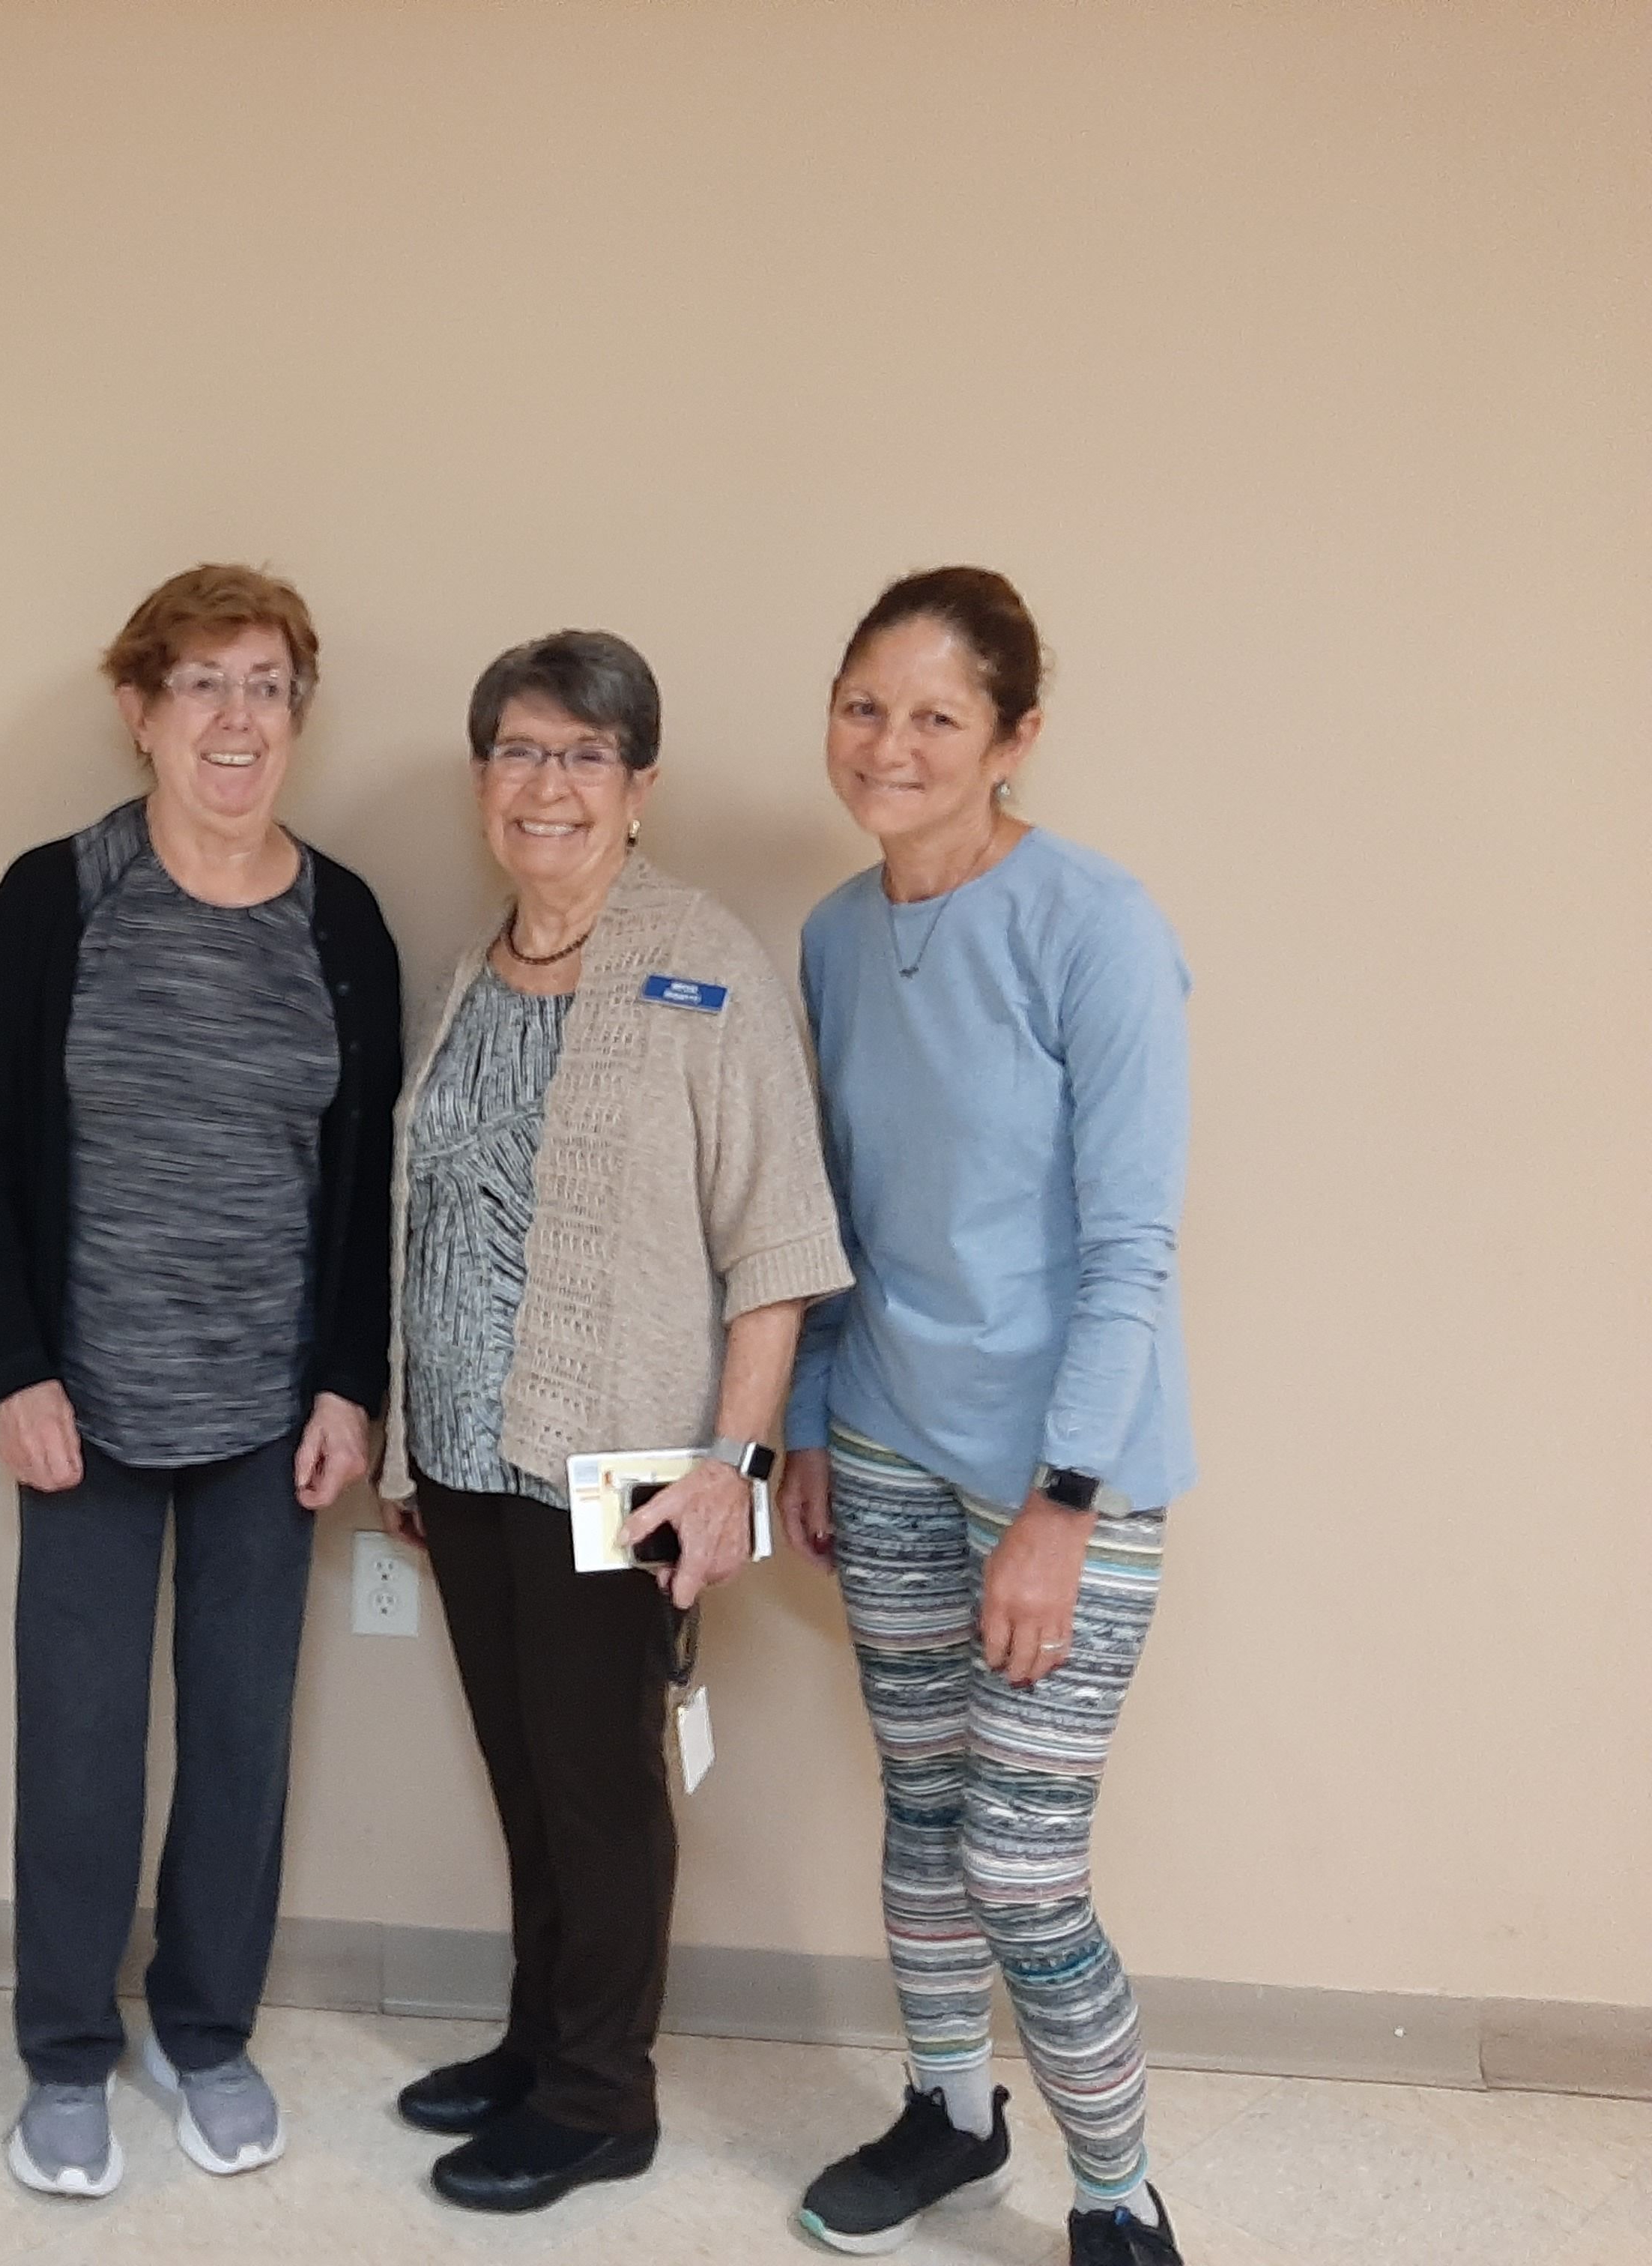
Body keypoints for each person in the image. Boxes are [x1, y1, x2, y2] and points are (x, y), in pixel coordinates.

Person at [374, 630, 850, 2213]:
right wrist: (402, 1443)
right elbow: (429, 1217)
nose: (548, 784)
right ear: (482, 780)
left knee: (598, 1784)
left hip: (620, 1473)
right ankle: (535, 2044)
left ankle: (599, 2095)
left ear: (640, 789)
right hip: (464, 1461)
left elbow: (776, 1246)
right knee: (524, 1778)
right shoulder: (474, 967)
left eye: (585, 756)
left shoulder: (704, 965)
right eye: (520, 750)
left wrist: (731, 1471)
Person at [0, 564, 402, 2201]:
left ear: (298, 715)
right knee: (76, 1743)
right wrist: (16, 1370)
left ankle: (204, 2031)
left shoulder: (340, 920)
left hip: (270, 1419)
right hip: (88, 1407)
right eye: (201, 683)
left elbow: (369, 1181)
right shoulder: (55, 896)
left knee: (240, 1739)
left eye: (269, 684)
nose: (236, 716)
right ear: (139, 711)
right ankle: (66, 2053)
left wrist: (352, 1384)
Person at [779, 568, 1194, 2266]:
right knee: (925, 1812)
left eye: (939, 716)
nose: (892, 745)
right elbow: (829, 1223)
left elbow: (1132, 1248)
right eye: (867, 706)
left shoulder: (1096, 925)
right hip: (880, 1436)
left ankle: (1120, 2196)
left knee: (1025, 1867)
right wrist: (807, 1419)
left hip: (1060, 1472)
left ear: (1013, 739)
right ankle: (953, 2114)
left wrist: (1064, 1501)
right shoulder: (828, 933)